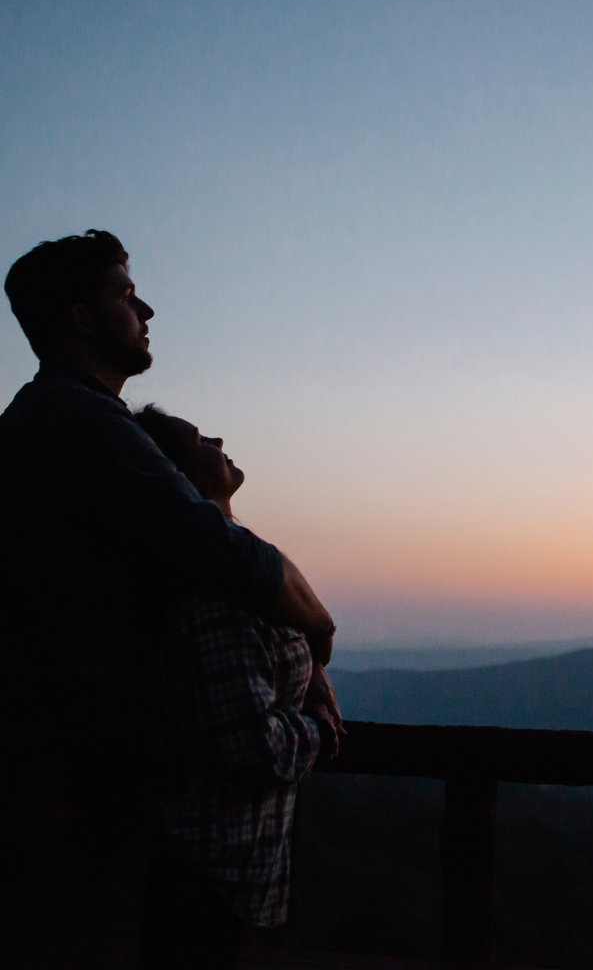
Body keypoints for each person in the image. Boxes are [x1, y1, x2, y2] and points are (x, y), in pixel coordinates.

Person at [0, 230, 336, 969]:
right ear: (83, 318)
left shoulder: (35, 426)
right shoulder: (81, 423)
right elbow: (232, 556)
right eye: (125, 294)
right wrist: (319, 630)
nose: (146, 307)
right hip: (71, 785)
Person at [132, 405, 340, 969]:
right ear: (177, 478)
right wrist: (319, 730)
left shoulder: (240, 576)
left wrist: (311, 676)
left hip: (221, 875)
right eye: (200, 440)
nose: (219, 439)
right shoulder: (215, 596)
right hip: (207, 878)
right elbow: (250, 745)